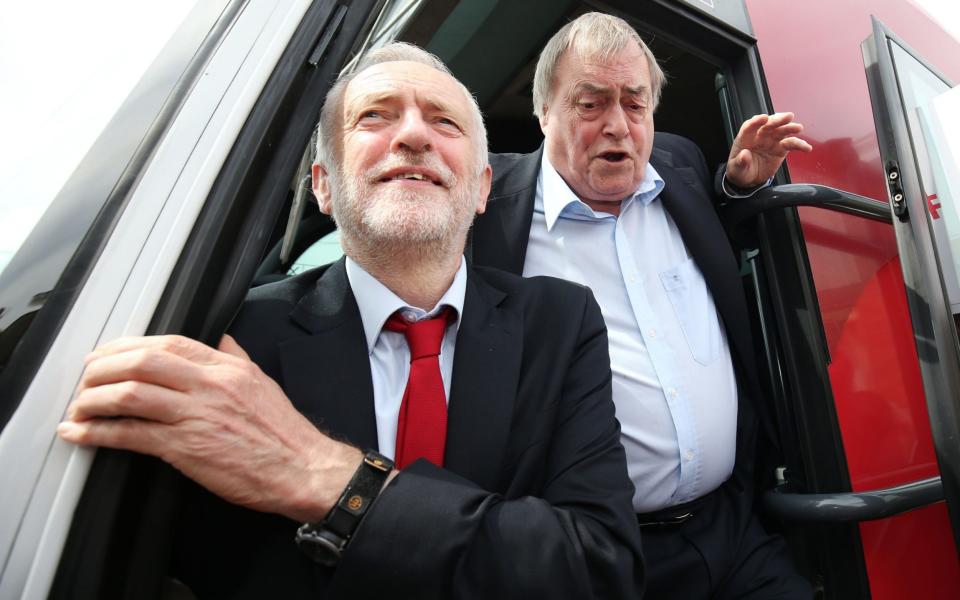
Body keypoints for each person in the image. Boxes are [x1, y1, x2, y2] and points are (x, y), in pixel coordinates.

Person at [56, 43, 643, 599]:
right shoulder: (237, 341)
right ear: (323, 186)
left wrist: (331, 479)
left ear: (483, 188)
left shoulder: (561, 322)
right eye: (374, 118)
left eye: (444, 122)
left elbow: (598, 567)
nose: (413, 134)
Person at [471, 12, 814, 599]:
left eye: (635, 103)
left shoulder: (676, 166)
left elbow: (728, 242)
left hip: (733, 530)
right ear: (543, 111)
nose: (618, 127)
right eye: (590, 103)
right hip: (606, 560)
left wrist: (738, 188)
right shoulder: (487, 213)